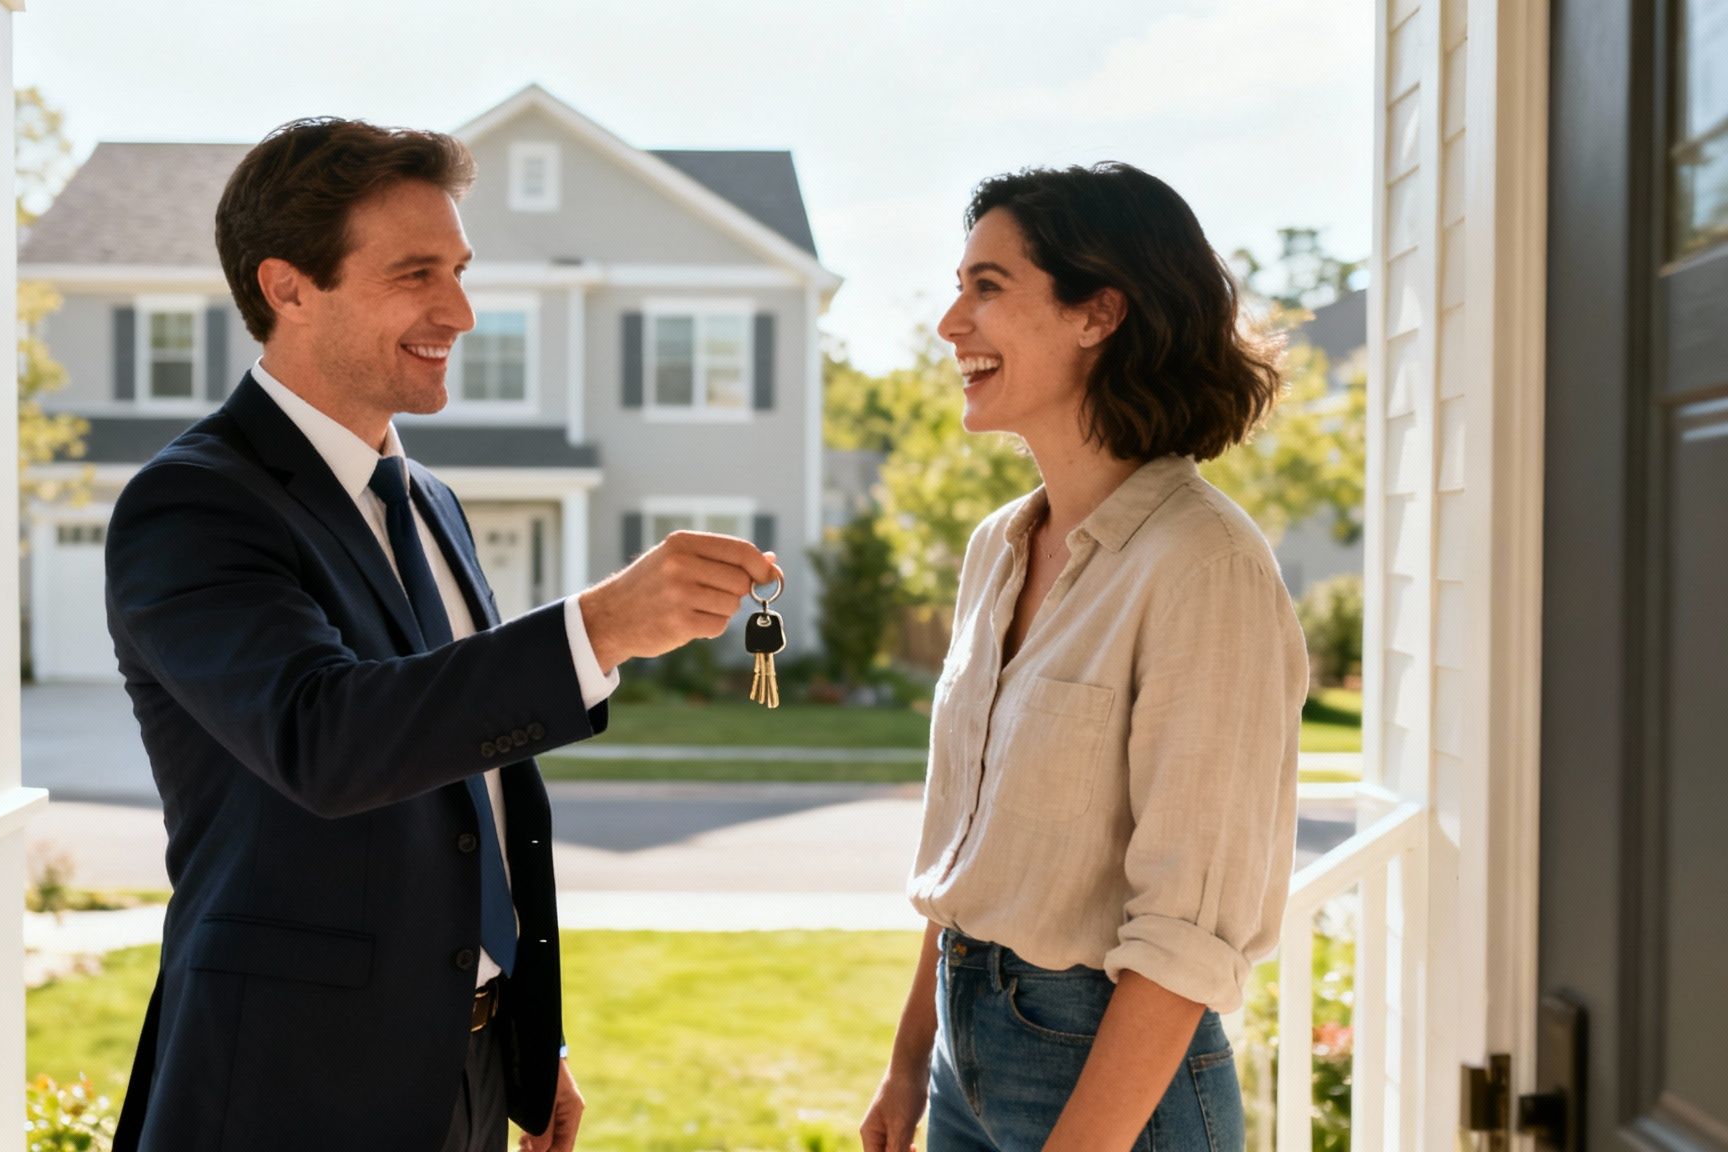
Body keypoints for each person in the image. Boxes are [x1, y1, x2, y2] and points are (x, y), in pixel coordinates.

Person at [105, 117, 778, 1152]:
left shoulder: (431, 501)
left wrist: (522, 1032)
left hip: (459, 1064)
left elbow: (475, 783)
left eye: (460, 270)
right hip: (287, 1087)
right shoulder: (193, 507)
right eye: (416, 273)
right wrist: (596, 627)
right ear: (286, 287)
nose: (460, 311)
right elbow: (324, 740)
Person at [860, 163, 1308, 1152]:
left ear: (1095, 313)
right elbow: (966, 854)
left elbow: (1186, 935)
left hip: (1111, 1079)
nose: (948, 321)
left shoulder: (1202, 566)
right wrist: (906, 1068)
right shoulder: (996, 548)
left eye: (986, 286)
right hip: (960, 1059)